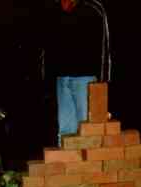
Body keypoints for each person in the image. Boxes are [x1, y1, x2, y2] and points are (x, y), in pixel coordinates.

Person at [46, 0, 112, 145]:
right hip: (62, 78)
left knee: (88, 130)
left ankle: (89, 166)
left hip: (85, 78)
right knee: (65, 132)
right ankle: (68, 164)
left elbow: (104, 45)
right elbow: (48, 45)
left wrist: (103, 80)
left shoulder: (93, 7)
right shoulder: (54, 8)